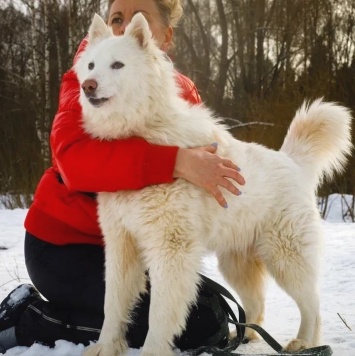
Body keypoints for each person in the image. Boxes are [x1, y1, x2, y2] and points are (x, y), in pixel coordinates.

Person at [0, 0, 245, 353]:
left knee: (211, 313)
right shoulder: (85, 81)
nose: (123, 27)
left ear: (163, 36)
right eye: (116, 18)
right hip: (65, 246)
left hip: (141, 248)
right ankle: (28, 320)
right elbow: (74, 162)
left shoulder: (183, 93)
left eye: (138, 19)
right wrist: (176, 161)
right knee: (195, 327)